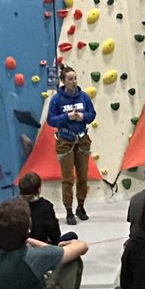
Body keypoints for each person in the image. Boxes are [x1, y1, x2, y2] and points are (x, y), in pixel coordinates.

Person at [47, 66, 97, 225]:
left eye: (75, 78)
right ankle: (68, 210)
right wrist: (66, 117)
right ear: (63, 81)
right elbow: (50, 120)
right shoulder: (57, 99)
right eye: (70, 79)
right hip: (65, 141)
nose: (74, 81)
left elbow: (92, 115)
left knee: (83, 176)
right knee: (68, 178)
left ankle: (81, 206)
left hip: (82, 140)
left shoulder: (84, 97)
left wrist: (82, 116)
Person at [18, 172, 63, 245]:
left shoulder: (13, 206)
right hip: (41, 246)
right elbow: (55, 234)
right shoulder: (46, 206)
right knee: (72, 235)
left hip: (19, 246)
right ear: (39, 190)